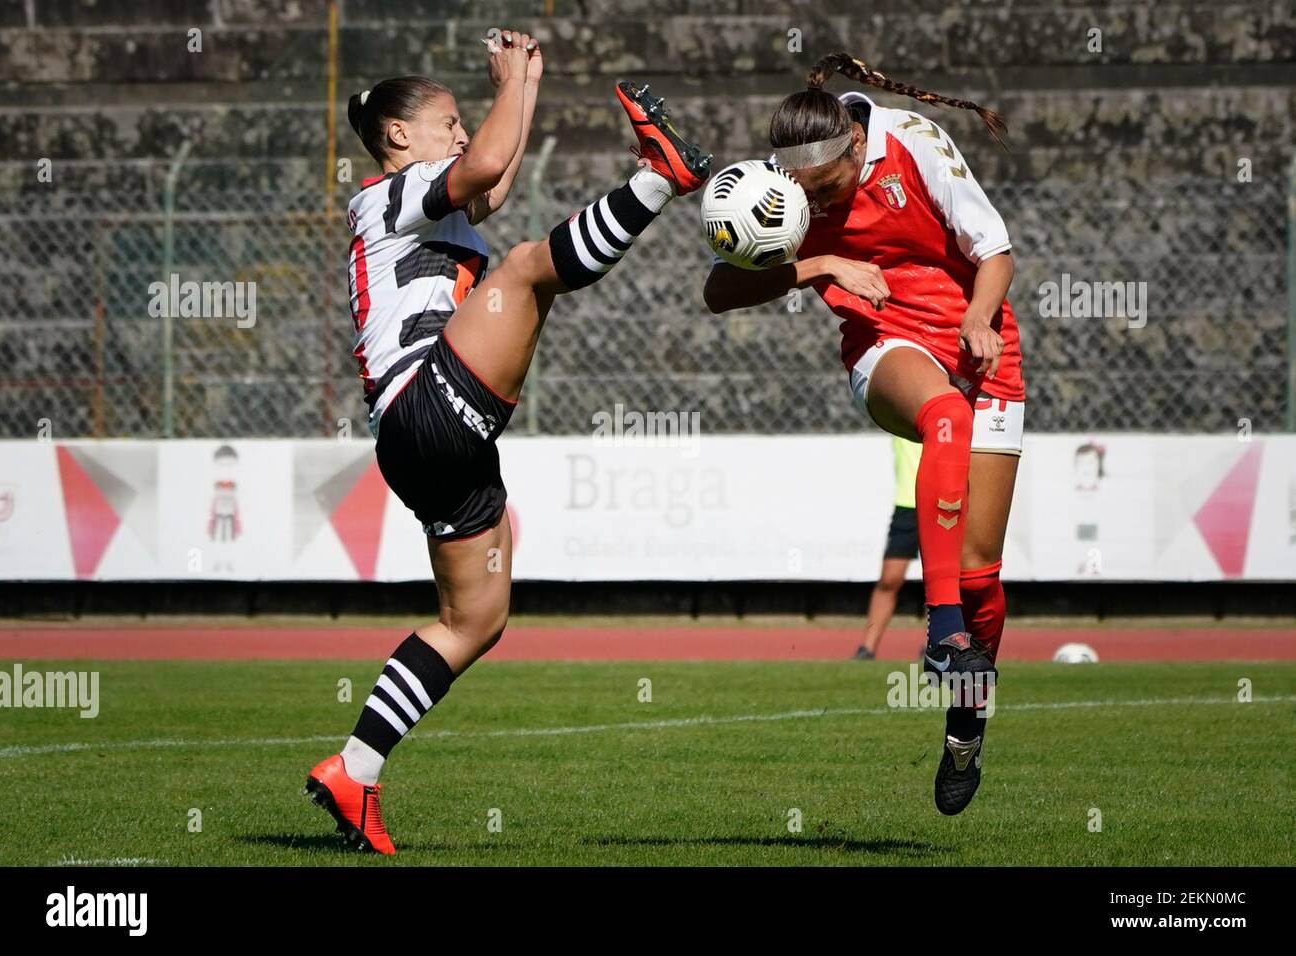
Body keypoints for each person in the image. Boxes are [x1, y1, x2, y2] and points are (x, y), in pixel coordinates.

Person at [305, 31, 712, 853]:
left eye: (462, 121)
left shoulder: (425, 200)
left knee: (476, 620)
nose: (460, 133)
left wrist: (522, 85)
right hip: (428, 405)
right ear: (398, 139)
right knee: (528, 268)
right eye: (446, 121)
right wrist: (504, 91)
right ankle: (659, 175)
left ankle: (355, 768)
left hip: (424, 441)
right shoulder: (388, 194)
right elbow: (486, 167)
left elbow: (491, 180)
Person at [704, 53, 1024, 815]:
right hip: (886, 344)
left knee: (982, 576)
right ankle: (941, 632)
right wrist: (819, 264)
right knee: (941, 415)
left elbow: (996, 251)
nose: (812, 200)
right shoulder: (783, 184)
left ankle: (966, 721)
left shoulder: (915, 142)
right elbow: (719, 291)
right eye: (802, 193)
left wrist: (977, 318)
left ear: (856, 144)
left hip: (982, 340)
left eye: (827, 189)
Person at [853, 436, 921, 661]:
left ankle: (936, 645)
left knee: (942, 581)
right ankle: (867, 648)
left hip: (943, 503)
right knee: (889, 579)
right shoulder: (900, 417)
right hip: (907, 505)